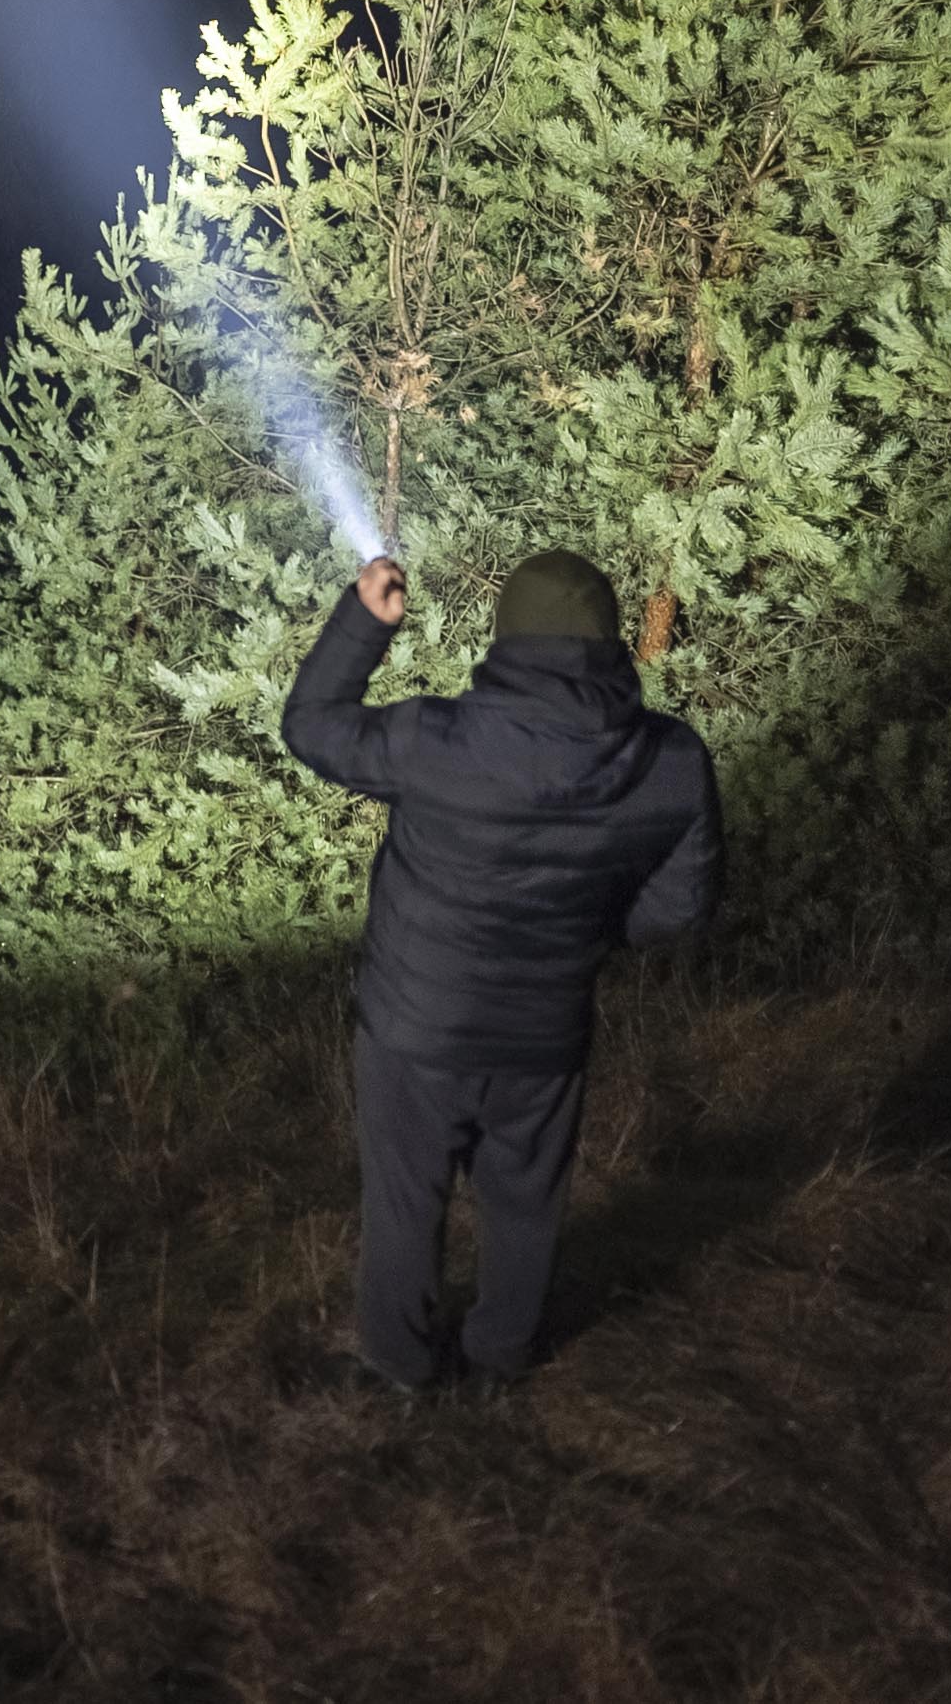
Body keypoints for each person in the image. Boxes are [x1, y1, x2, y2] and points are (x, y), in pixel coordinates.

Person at [280, 547, 720, 1393]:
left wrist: (363, 622)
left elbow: (311, 725)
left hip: (414, 1026)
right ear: (609, 640)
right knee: (526, 1204)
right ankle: (499, 1358)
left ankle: (402, 1367)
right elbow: (679, 909)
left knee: (405, 1202)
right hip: (543, 1032)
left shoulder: (434, 739)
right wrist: (580, 934)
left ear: (506, 637)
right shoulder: (671, 761)